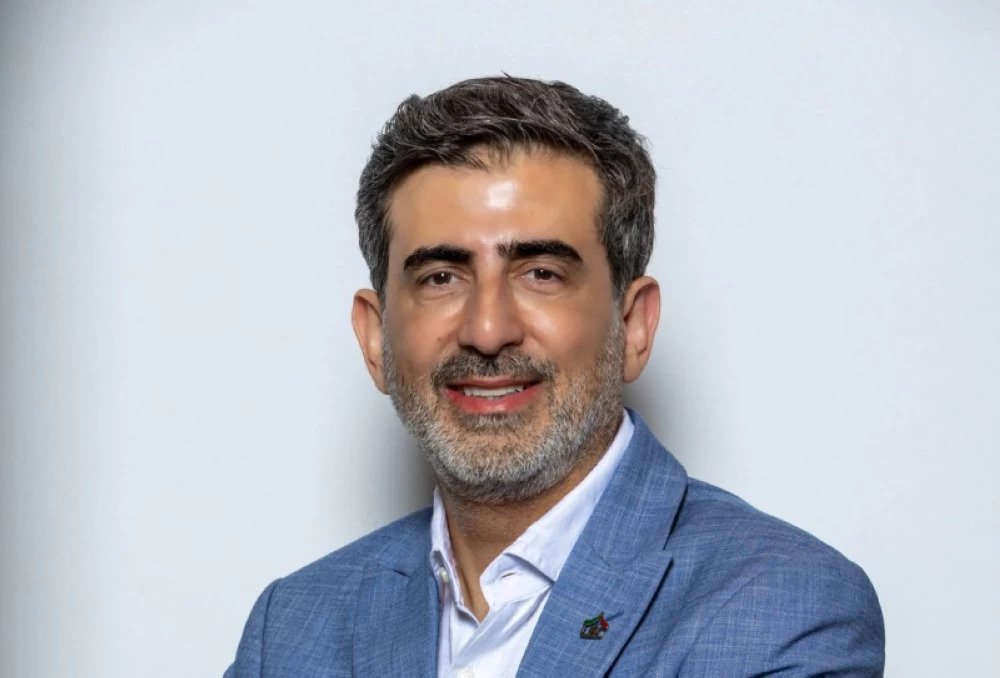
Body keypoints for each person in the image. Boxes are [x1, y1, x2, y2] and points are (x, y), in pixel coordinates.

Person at [225, 76, 884, 677]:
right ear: (375, 340)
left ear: (633, 326)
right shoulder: (290, 629)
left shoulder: (783, 609)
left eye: (541, 273)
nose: (488, 330)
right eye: (441, 277)